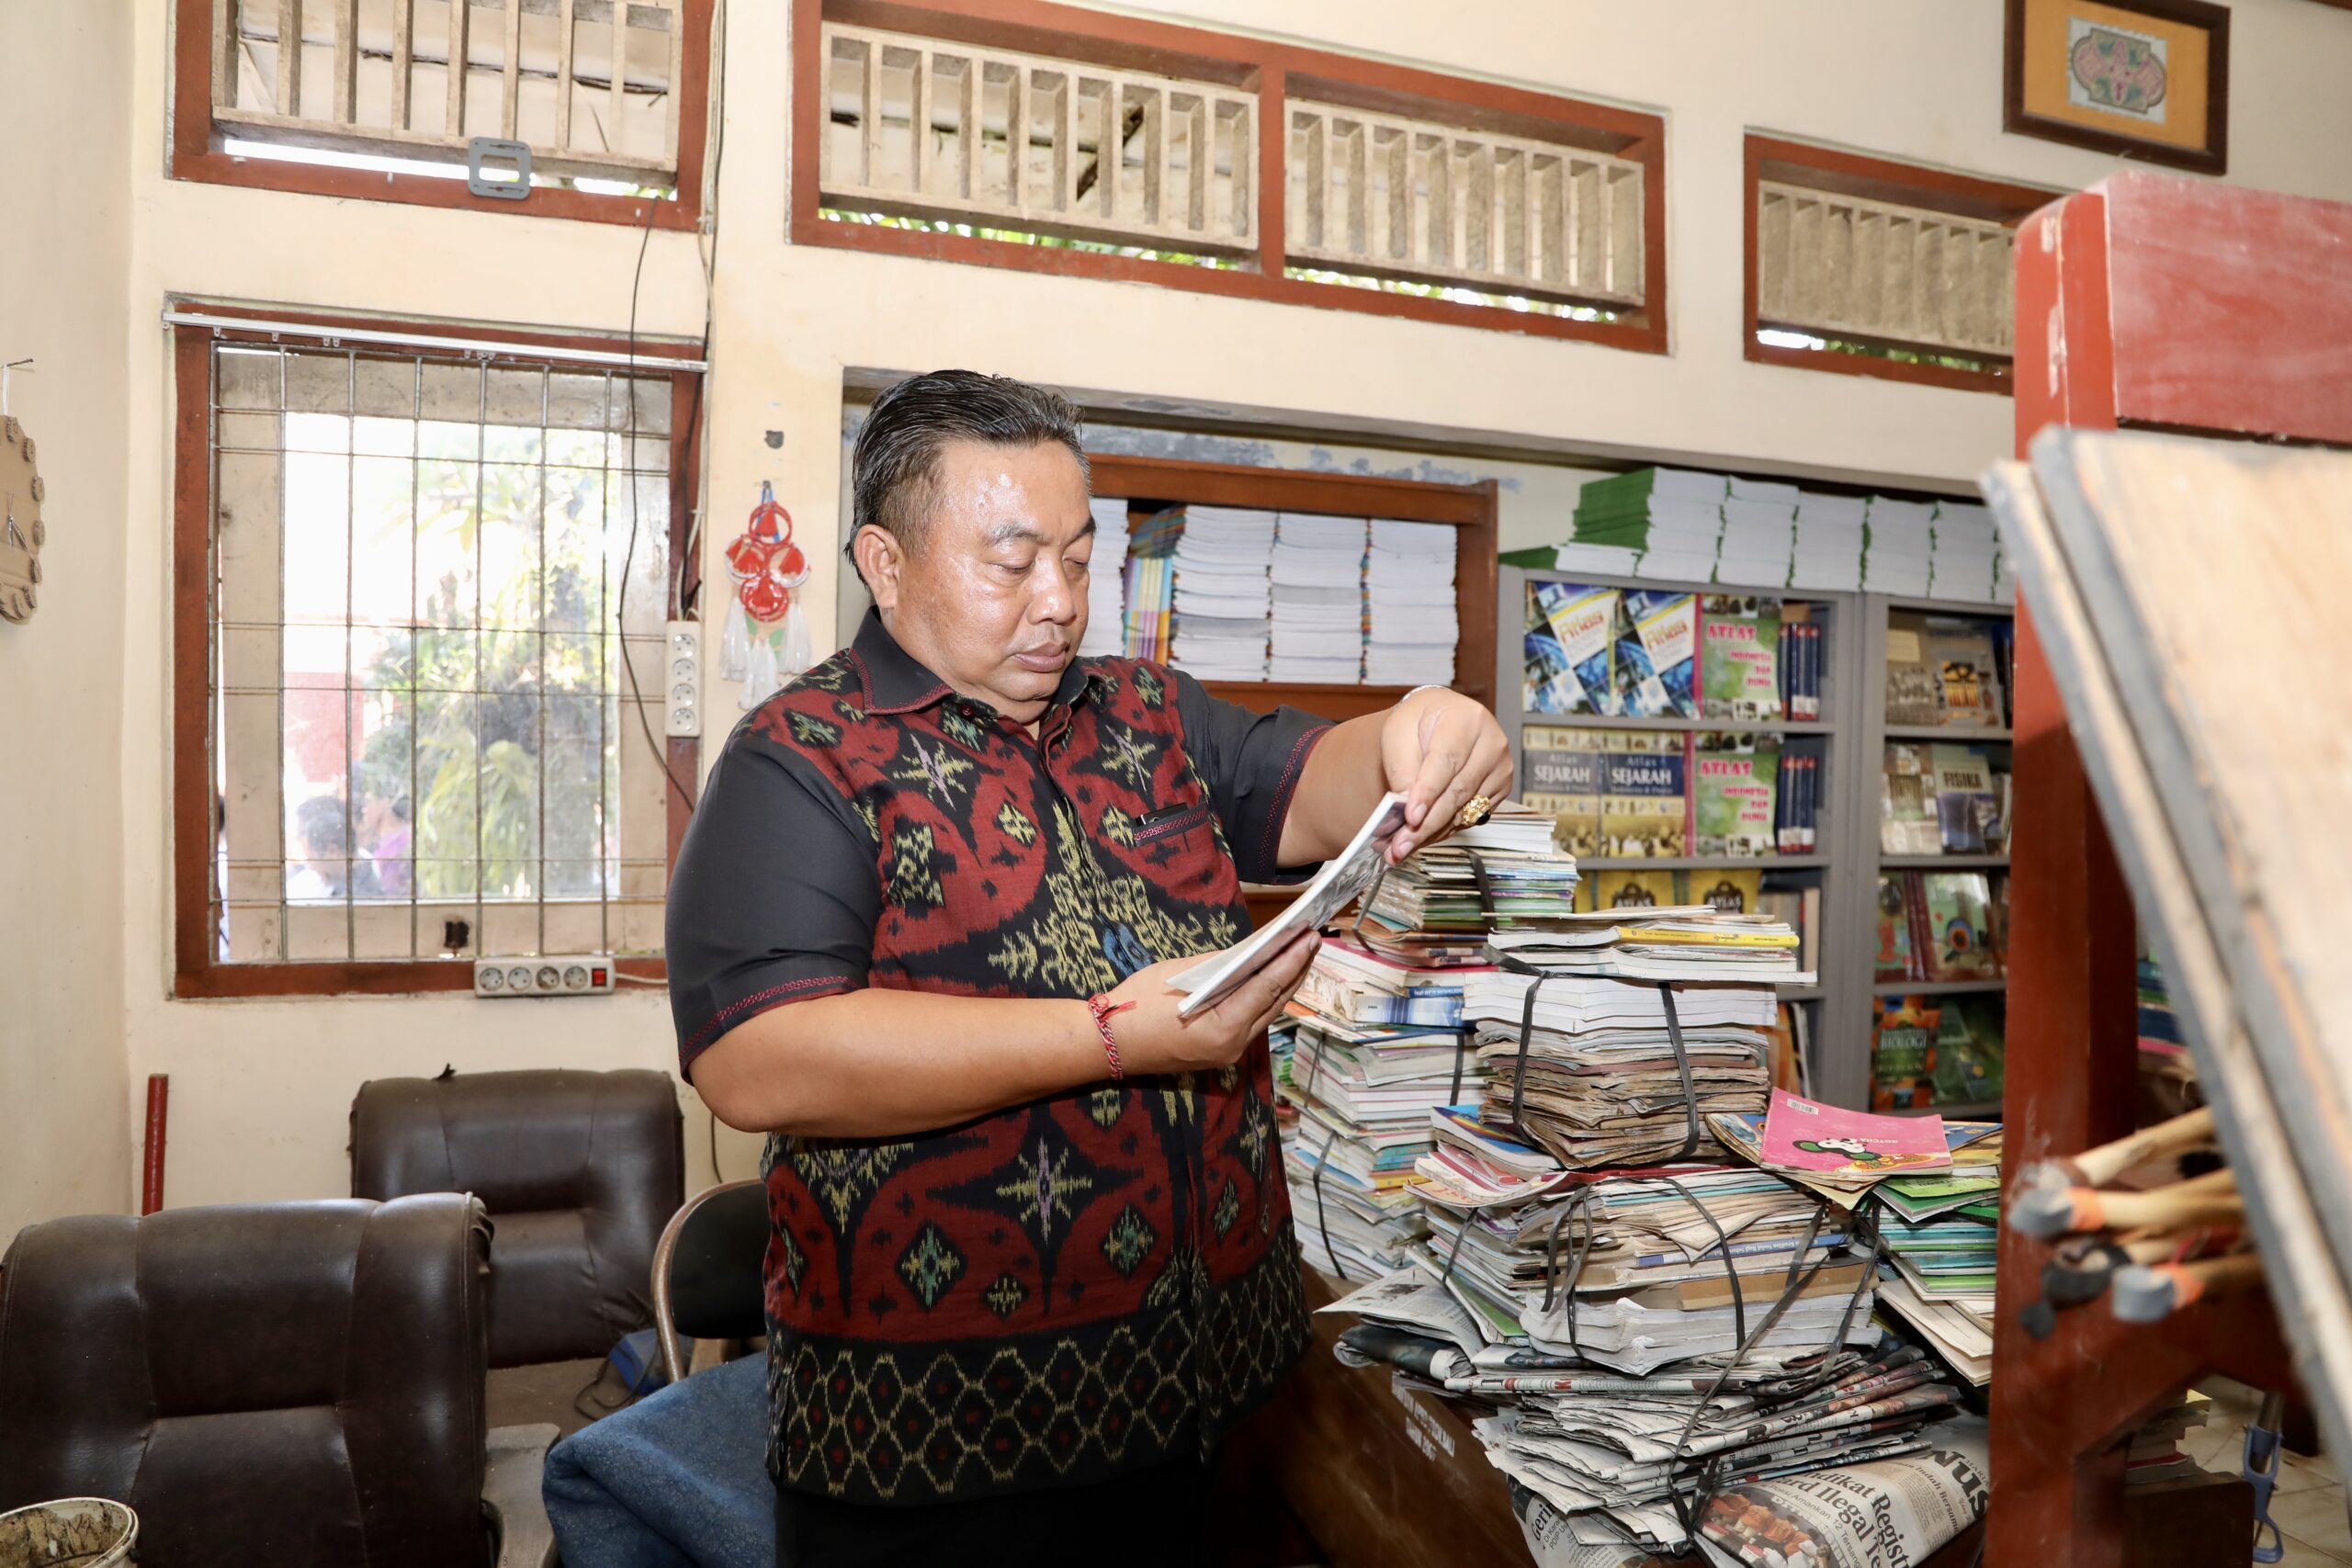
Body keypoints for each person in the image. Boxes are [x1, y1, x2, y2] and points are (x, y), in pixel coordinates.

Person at [665, 370, 1511, 1568]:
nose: (1058, 603)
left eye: (1077, 557)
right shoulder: (802, 756)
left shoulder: (1145, 714)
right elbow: (758, 1058)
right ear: (885, 564)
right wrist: (1110, 1035)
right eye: (1011, 564)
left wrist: (1422, 729)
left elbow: (1316, 786)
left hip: (1217, 1398)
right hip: (949, 1454)